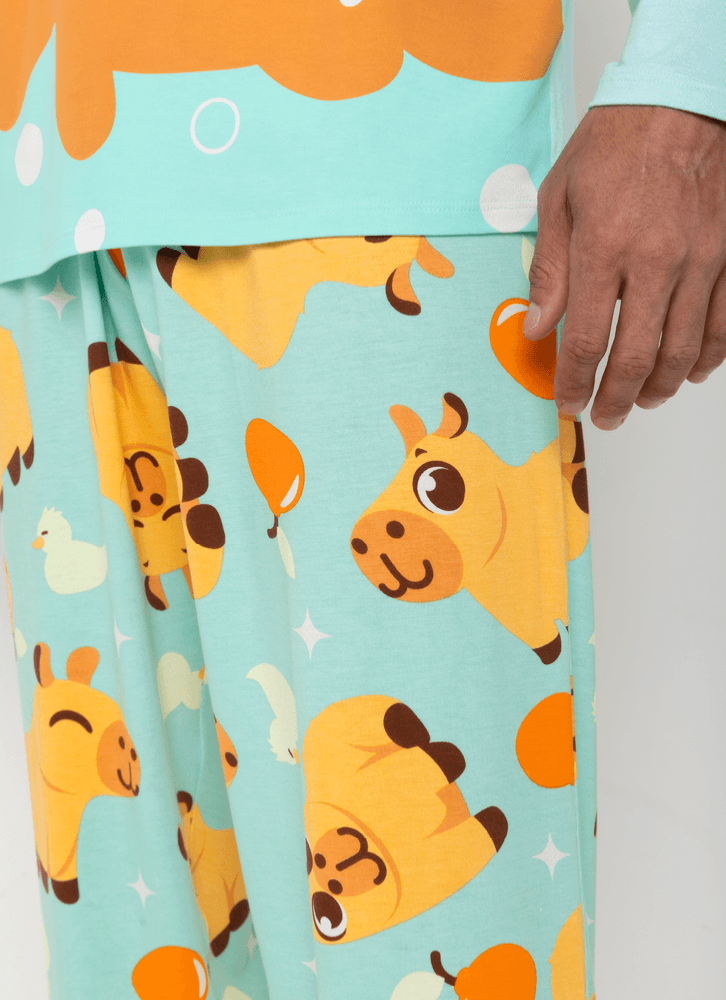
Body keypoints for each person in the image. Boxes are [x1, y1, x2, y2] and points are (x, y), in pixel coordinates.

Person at [0, 2, 723, 998]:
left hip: (380, 159)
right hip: (49, 191)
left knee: (419, 951)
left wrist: (691, 77)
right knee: (133, 962)